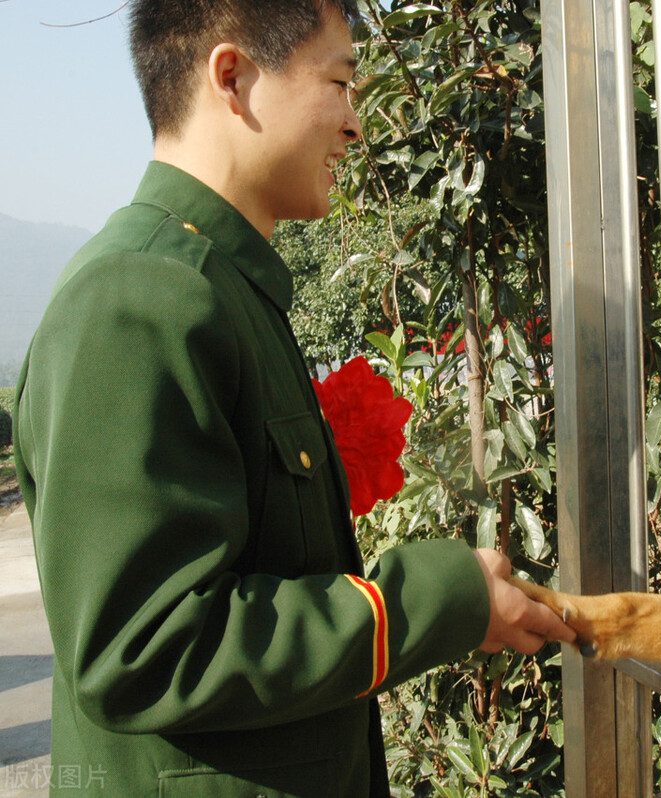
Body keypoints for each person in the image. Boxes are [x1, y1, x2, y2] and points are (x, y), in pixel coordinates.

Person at [11, 1, 574, 795]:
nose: (355, 125)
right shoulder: (138, 299)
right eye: (340, 83)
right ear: (233, 77)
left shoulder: (224, 291)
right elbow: (141, 647)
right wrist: (434, 602)